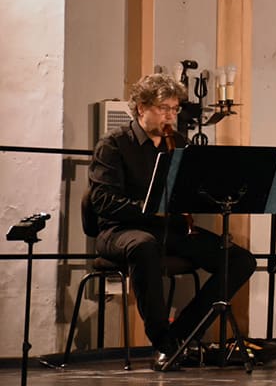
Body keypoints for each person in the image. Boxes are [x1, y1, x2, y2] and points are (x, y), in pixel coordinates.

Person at [86, 73, 257, 371]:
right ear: (141, 108)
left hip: (168, 229)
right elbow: (103, 202)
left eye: (175, 109)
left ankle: (181, 336)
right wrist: (152, 209)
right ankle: (162, 343)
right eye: (164, 108)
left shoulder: (178, 143)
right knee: (144, 244)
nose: (171, 115)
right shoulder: (113, 145)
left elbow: (192, 191)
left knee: (240, 260)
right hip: (119, 230)